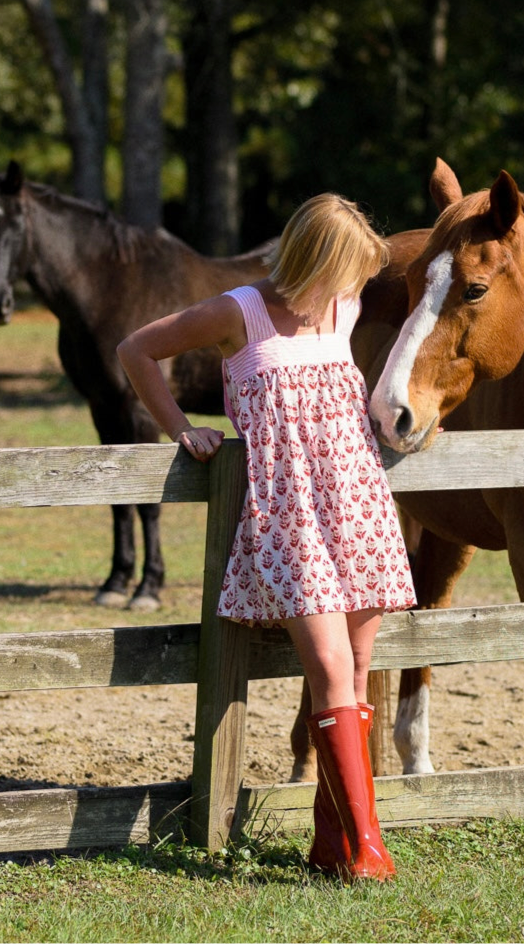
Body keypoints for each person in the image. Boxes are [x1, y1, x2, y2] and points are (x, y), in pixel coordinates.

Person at [117, 193, 416, 882]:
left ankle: (330, 845)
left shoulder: (344, 309)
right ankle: (369, 850)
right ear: (317, 259)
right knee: (331, 670)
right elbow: (135, 349)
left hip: (358, 507)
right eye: (348, 270)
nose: (354, 287)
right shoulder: (238, 311)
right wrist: (179, 427)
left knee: (356, 674)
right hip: (289, 519)